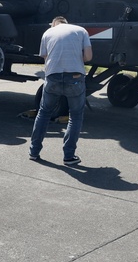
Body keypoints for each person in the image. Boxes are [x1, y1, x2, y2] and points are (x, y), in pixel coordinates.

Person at [29, 16, 93, 166]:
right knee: (75, 116)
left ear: (54, 24)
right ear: (66, 22)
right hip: (75, 77)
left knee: (44, 113)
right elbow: (88, 57)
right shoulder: (81, 30)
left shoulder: (47, 33)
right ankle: (69, 157)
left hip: (53, 77)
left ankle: (34, 152)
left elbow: (45, 57)